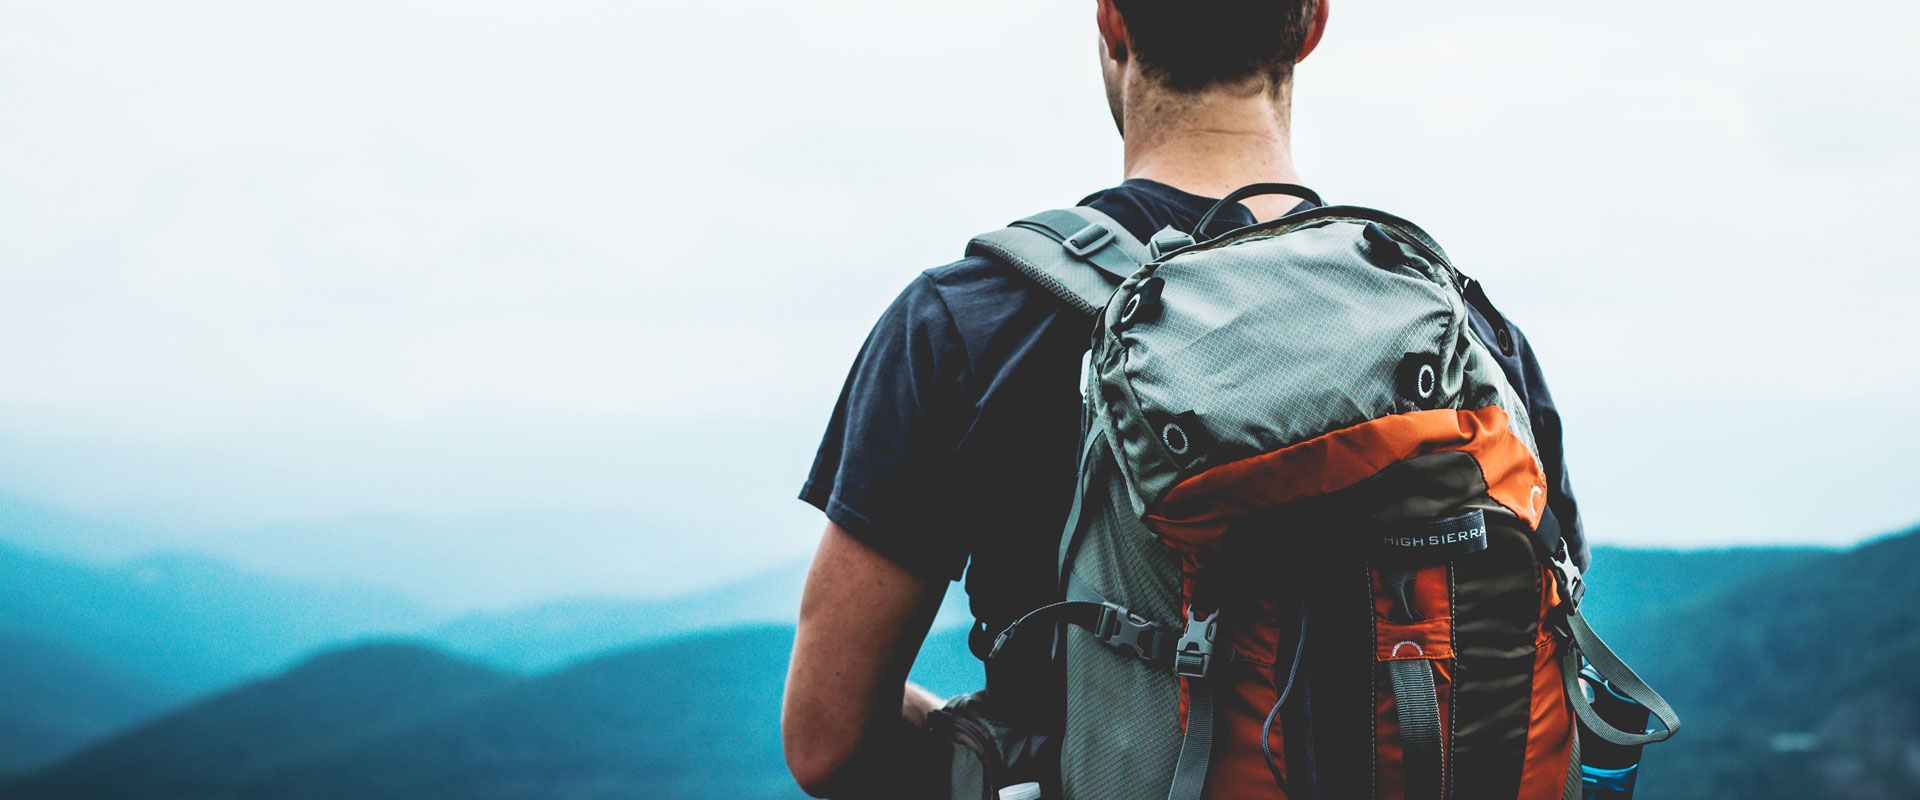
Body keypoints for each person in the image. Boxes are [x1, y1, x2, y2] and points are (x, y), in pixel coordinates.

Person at [781, 1, 1586, 797]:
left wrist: (992, 752)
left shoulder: (965, 322)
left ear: (1112, 23)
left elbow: (829, 743)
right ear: (1311, 25)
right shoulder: (1465, 335)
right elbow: (1530, 640)